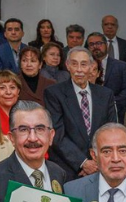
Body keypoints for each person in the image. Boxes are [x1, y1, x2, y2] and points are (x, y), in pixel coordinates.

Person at [45, 47, 117, 177]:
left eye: (83, 64)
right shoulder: (54, 93)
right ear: (67, 66)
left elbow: (111, 131)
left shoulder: (105, 95)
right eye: (74, 64)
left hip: (100, 167)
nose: (79, 70)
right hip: (66, 168)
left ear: (91, 66)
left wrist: (97, 162)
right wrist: (83, 162)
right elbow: (57, 134)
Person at [85, 33, 126, 120]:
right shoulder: (83, 67)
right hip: (89, 113)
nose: (95, 46)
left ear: (106, 45)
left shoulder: (121, 66)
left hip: (116, 113)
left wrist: (109, 103)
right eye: (91, 44)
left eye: (99, 43)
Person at [0, 69, 23, 137]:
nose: (8, 92)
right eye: (2, 88)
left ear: (18, 92)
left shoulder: (26, 112)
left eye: (12, 87)